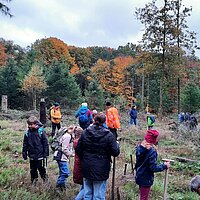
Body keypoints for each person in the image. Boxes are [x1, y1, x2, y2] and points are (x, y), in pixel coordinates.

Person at [75, 113, 120, 199]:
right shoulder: (109, 135)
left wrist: (84, 158)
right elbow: (115, 152)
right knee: (98, 195)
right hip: (101, 168)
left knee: (87, 194)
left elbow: (78, 149)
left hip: (87, 166)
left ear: (94, 120)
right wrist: (117, 145)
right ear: (104, 122)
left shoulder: (85, 132)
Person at [135, 129, 170, 200]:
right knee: (144, 198)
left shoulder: (140, 148)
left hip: (139, 176)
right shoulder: (152, 152)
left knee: (143, 196)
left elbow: (138, 162)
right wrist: (164, 166)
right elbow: (153, 168)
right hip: (146, 179)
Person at [22, 116, 49, 185]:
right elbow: (25, 144)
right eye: (29, 125)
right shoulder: (27, 133)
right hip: (31, 154)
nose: (30, 126)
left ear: (36, 124)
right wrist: (24, 152)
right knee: (33, 169)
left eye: (31, 124)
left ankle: (45, 180)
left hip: (40, 154)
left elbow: (45, 143)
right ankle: (34, 181)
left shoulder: (41, 131)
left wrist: (46, 153)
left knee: (41, 168)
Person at [53, 126, 74, 191]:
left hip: (59, 156)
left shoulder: (65, 135)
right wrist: (71, 154)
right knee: (65, 173)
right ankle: (58, 186)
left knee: (62, 173)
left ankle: (62, 188)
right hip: (62, 157)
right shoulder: (67, 136)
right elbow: (64, 149)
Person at [73, 126, 84, 200]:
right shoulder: (80, 142)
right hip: (82, 165)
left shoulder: (75, 141)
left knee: (85, 185)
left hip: (78, 164)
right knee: (86, 186)